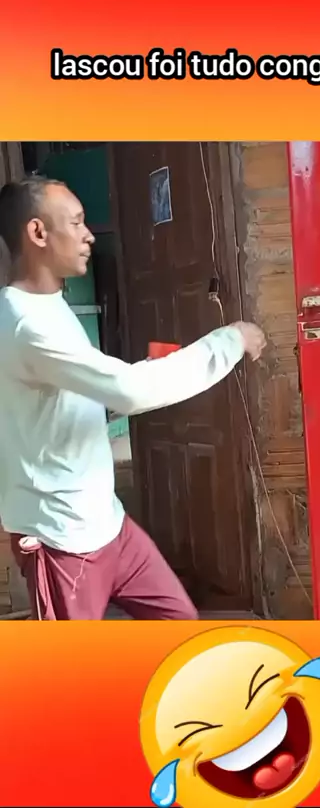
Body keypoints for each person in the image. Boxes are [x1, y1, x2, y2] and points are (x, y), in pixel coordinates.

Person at [0, 176, 266, 621]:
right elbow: (129, 390)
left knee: (177, 621)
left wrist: (126, 382)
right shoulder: (27, 324)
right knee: (70, 665)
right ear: (38, 233)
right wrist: (230, 340)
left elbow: (68, 397)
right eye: (77, 222)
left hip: (107, 522)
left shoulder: (48, 306)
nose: (89, 235)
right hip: (62, 537)